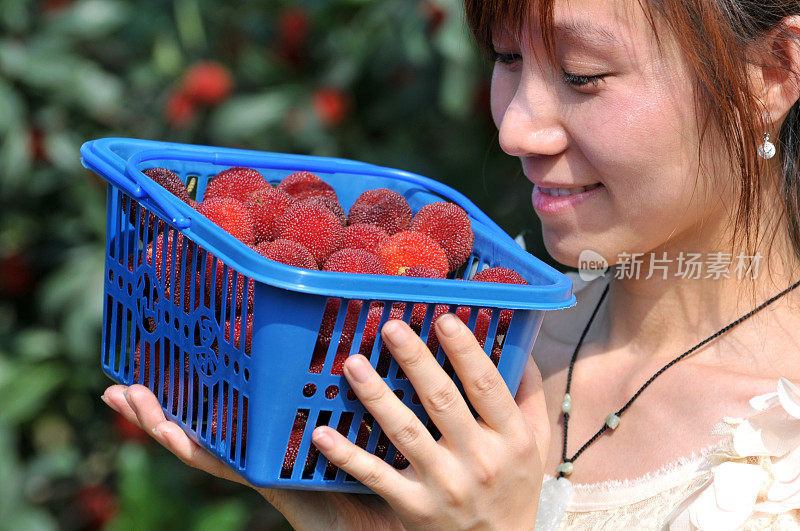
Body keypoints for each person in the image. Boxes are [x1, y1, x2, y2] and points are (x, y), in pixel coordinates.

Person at [101, 0, 800, 528]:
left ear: (774, 71)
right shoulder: (466, 335)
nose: (514, 127)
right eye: (506, 58)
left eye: (584, 76)